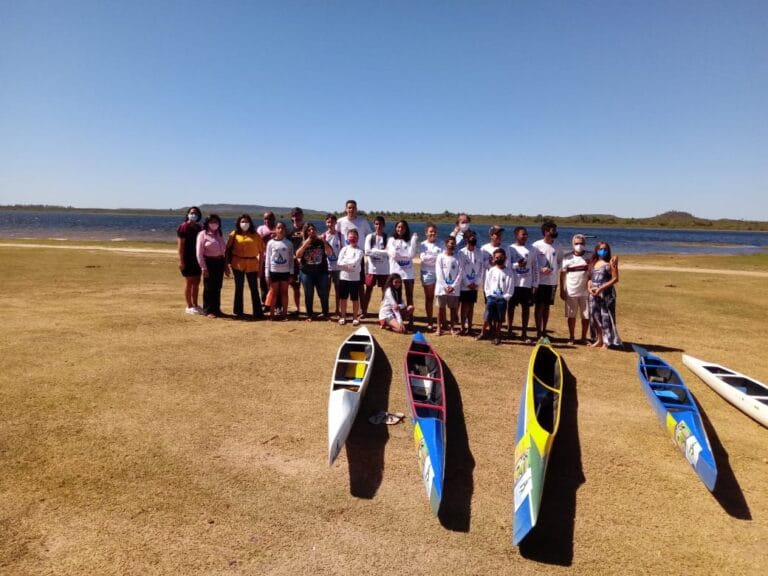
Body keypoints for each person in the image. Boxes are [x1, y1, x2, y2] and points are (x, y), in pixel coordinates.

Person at [336, 199, 372, 316]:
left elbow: (370, 236)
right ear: (346, 209)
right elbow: (333, 233)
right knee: (343, 283)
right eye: (349, 208)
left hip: (358, 256)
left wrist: (366, 250)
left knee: (360, 284)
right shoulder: (340, 221)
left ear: (356, 209)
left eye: (353, 208)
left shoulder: (362, 221)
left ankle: (362, 310)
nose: (351, 210)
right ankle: (341, 311)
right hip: (345, 256)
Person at [226, 214, 264, 318]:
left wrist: (260, 268)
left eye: (247, 221)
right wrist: (226, 264)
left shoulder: (256, 235)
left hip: (252, 264)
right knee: (239, 287)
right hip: (237, 263)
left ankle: (258, 312)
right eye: (242, 221)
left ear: (250, 223)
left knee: (254, 288)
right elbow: (227, 249)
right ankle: (238, 311)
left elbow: (261, 252)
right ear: (238, 223)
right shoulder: (234, 234)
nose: (244, 224)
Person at [532, 220, 564, 339]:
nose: (555, 232)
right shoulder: (536, 245)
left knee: (547, 306)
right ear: (546, 232)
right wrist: (540, 269)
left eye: (556, 230)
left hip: (552, 282)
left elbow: (560, 260)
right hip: (539, 281)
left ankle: (544, 330)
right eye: (553, 230)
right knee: (538, 306)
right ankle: (538, 331)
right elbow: (532, 262)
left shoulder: (558, 245)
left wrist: (554, 269)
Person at [588, 241, 622, 349]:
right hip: (593, 294)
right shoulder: (593, 263)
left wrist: (601, 288)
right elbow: (589, 279)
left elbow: (615, 279)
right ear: (596, 250)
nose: (603, 251)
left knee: (606, 317)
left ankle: (607, 341)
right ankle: (599, 339)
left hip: (606, 294)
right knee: (595, 317)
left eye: (605, 249)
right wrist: (589, 288)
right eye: (601, 249)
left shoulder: (610, 263)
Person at [295, 222, 332, 321]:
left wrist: (324, 241)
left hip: (321, 272)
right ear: (306, 232)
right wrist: (305, 245)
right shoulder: (303, 242)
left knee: (323, 293)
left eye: (313, 229)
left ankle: (325, 313)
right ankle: (310, 314)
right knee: (308, 293)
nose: (312, 231)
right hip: (306, 273)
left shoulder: (321, 241)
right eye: (309, 230)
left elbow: (330, 253)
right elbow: (297, 255)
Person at [508, 226, 538, 343]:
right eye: (522, 234)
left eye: (526, 234)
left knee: (526, 309)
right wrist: (517, 265)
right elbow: (507, 265)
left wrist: (535, 284)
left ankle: (524, 333)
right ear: (516, 235)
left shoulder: (532, 249)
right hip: (514, 283)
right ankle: (510, 330)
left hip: (526, 284)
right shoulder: (510, 248)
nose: (525, 236)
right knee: (510, 307)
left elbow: (535, 267)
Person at [196, 213, 229, 318]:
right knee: (209, 287)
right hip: (209, 262)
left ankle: (217, 309)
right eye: (212, 222)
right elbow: (199, 253)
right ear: (207, 223)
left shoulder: (219, 234)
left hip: (219, 262)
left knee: (217, 287)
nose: (214, 224)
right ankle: (208, 310)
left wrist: (225, 266)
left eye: (216, 222)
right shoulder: (202, 234)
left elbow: (223, 250)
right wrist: (203, 268)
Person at [560, 233, 591, 344]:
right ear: (572, 244)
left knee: (586, 316)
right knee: (571, 315)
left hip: (586, 292)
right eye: (576, 243)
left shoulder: (590, 256)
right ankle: (571, 337)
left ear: (585, 244)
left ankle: (583, 337)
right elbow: (562, 275)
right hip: (571, 291)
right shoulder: (567, 257)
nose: (579, 245)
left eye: (581, 243)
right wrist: (562, 290)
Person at [480, 248, 514, 345]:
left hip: (502, 299)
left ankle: (497, 336)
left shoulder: (509, 272)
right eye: (497, 257)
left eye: (501, 257)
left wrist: (505, 297)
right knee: (487, 317)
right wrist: (488, 295)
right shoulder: (491, 270)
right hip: (491, 298)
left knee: (499, 319)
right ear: (494, 259)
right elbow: (487, 284)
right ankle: (483, 333)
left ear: (505, 257)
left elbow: (510, 286)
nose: (499, 259)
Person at [264, 221, 294, 321]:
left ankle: (284, 314)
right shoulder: (270, 243)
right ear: (275, 229)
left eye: (282, 228)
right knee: (273, 293)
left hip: (285, 272)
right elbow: (267, 260)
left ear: (285, 230)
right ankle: (272, 315)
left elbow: (291, 260)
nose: (280, 230)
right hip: (274, 272)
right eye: (278, 228)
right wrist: (267, 274)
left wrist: (291, 273)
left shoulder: (289, 243)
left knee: (284, 293)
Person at [387, 220, 419, 310]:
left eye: (403, 227)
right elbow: (393, 254)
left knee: (409, 296)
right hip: (395, 272)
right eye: (398, 227)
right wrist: (406, 256)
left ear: (406, 229)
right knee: (396, 296)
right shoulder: (391, 240)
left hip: (408, 273)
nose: (400, 229)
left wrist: (413, 241)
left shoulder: (410, 241)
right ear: (396, 228)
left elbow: (412, 255)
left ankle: (410, 318)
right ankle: (397, 316)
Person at [177, 206, 203, 314]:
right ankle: (189, 305)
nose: (194, 215)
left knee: (197, 282)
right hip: (187, 259)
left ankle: (196, 304)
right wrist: (181, 260)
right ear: (188, 214)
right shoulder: (183, 227)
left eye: (196, 213)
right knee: (189, 282)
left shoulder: (199, 228)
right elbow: (180, 246)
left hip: (197, 259)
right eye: (192, 213)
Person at [434, 236, 462, 336]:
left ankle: (452, 329)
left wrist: (453, 286)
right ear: (446, 244)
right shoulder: (440, 257)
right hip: (441, 288)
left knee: (453, 309)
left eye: (454, 243)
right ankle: (438, 328)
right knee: (440, 308)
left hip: (454, 289)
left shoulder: (458, 257)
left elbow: (460, 273)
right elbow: (439, 273)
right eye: (450, 243)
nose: (452, 245)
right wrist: (446, 286)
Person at [362, 216, 390, 317]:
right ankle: (364, 311)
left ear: (384, 225)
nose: (378, 226)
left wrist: (375, 251)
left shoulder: (387, 238)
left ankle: (383, 313)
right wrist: (382, 252)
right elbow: (367, 252)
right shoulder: (370, 237)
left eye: (381, 224)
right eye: (377, 224)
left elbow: (389, 253)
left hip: (384, 270)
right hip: (371, 269)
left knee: (385, 291)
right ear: (374, 225)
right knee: (368, 290)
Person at [337, 229, 364, 326]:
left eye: (354, 237)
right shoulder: (344, 249)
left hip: (354, 279)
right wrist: (347, 265)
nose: (352, 239)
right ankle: (343, 316)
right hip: (343, 277)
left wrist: (346, 264)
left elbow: (355, 264)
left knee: (355, 299)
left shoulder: (360, 251)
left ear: (358, 238)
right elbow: (339, 263)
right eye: (351, 237)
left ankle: (355, 317)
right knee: (343, 298)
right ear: (348, 238)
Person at [458, 229, 483, 336]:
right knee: (464, 306)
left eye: (474, 237)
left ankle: (470, 327)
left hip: (475, 284)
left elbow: (481, 268)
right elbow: (461, 269)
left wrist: (476, 282)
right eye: (471, 237)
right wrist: (468, 283)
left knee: (471, 306)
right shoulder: (461, 252)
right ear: (466, 239)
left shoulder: (479, 252)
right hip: (465, 285)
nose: (473, 239)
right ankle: (463, 327)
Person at [419, 223, 442, 331]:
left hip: (440, 273)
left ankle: (442, 322)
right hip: (427, 273)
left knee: (440, 298)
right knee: (429, 298)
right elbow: (424, 259)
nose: (432, 233)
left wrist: (431, 257)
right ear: (426, 233)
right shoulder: (422, 244)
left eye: (434, 231)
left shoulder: (441, 243)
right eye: (430, 231)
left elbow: (442, 258)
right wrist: (435, 257)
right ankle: (429, 322)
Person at [324, 213, 344, 319]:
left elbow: (344, 250)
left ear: (336, 223)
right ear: (325, 223)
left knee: (338, 290)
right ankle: (326, 311)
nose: (330, 224)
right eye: (328, 222)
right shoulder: (323, 236)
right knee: (326, 290)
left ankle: (338, 310)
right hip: (326, 268)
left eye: (332, 222)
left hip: (338, 268)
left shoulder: (340, 236)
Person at [287, 207, 305, 316]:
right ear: (291, 217)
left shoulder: (306, 229)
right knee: (295, 286)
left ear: (302, 216)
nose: (296, 217)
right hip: (293, 263)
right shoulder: (288, 231)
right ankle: (297, 309)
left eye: (298, 215)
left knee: (307, 287)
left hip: (306, 262)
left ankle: (309, 309)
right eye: (294, 215)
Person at [256, 211, 277, 308]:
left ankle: (277, 305)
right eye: (265, 218)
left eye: (269, 218)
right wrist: (268, 234)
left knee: (276, 283)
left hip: (276, 260)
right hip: (264, 259)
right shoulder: (261, 229)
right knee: (263, 283)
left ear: (274, 219)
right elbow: (257, 241)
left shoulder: (278, 227)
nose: (267, 221)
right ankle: (265, 303)